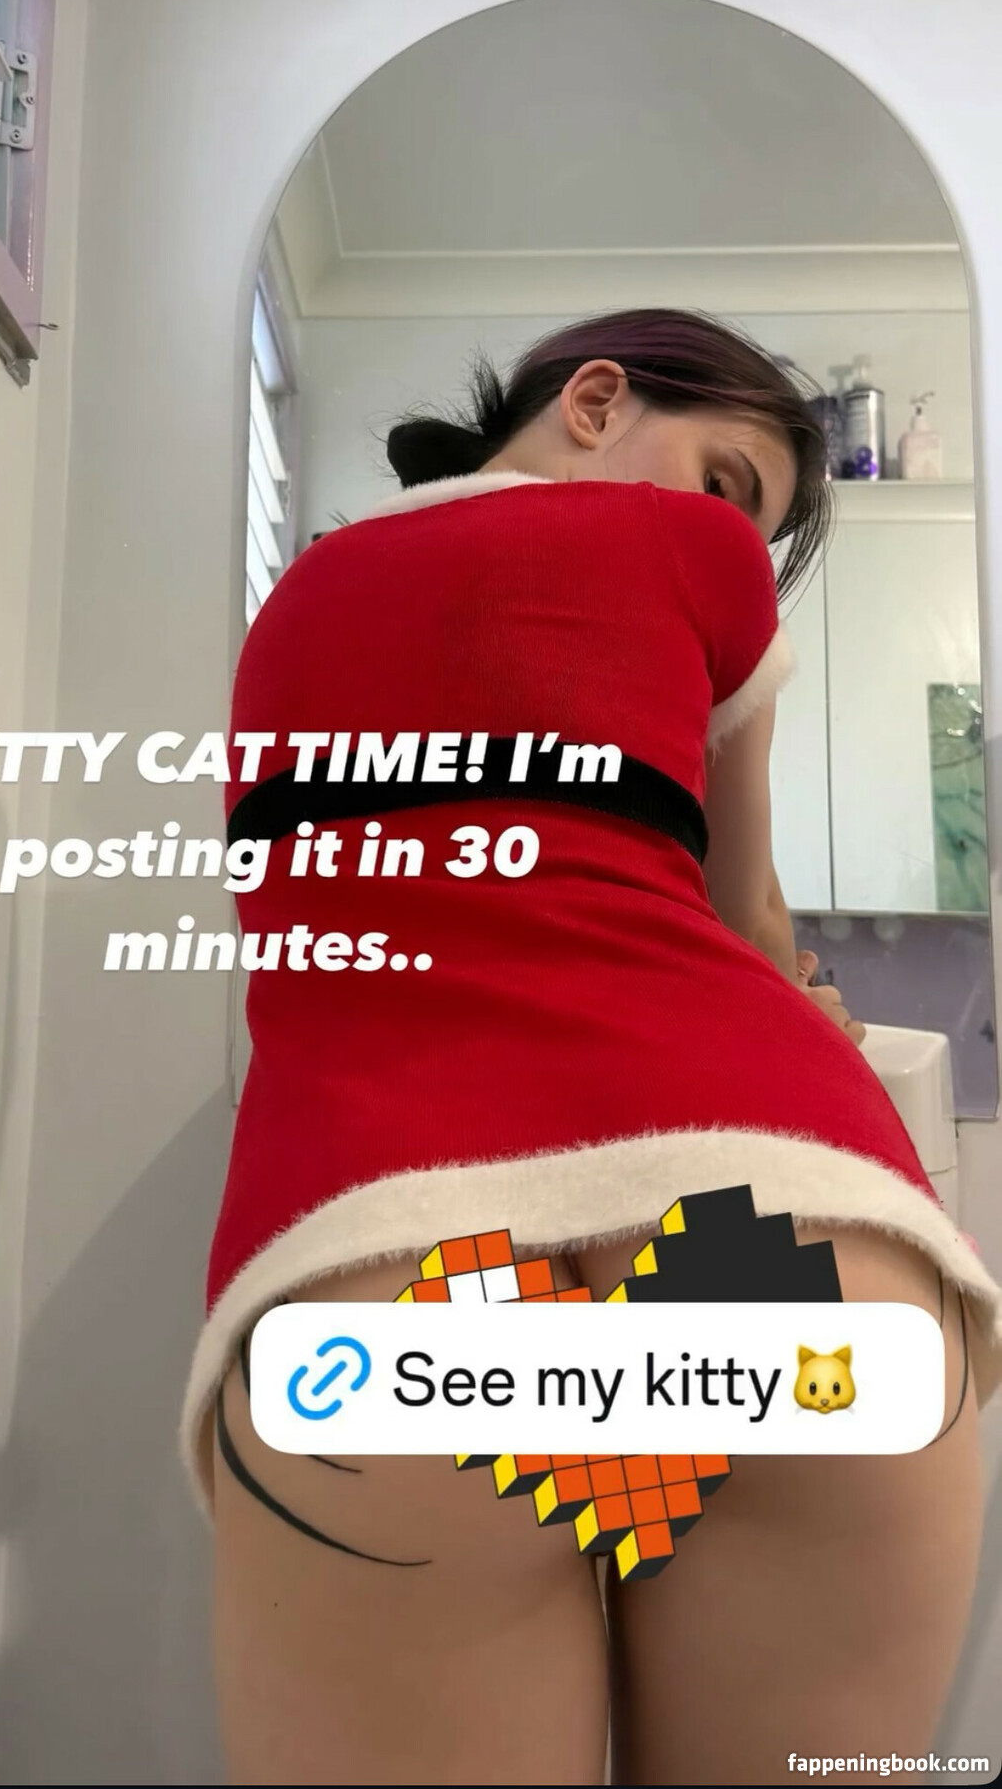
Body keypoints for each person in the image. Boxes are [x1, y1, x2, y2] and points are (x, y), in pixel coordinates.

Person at [180, 309, 1002, 1785]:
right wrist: (801, 1002)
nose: (733, 536)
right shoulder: (694, 563)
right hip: (770, 1230)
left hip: (406, 1263)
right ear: (597, 399)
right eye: (728, 486)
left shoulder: (298, 598)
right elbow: (745, 912)